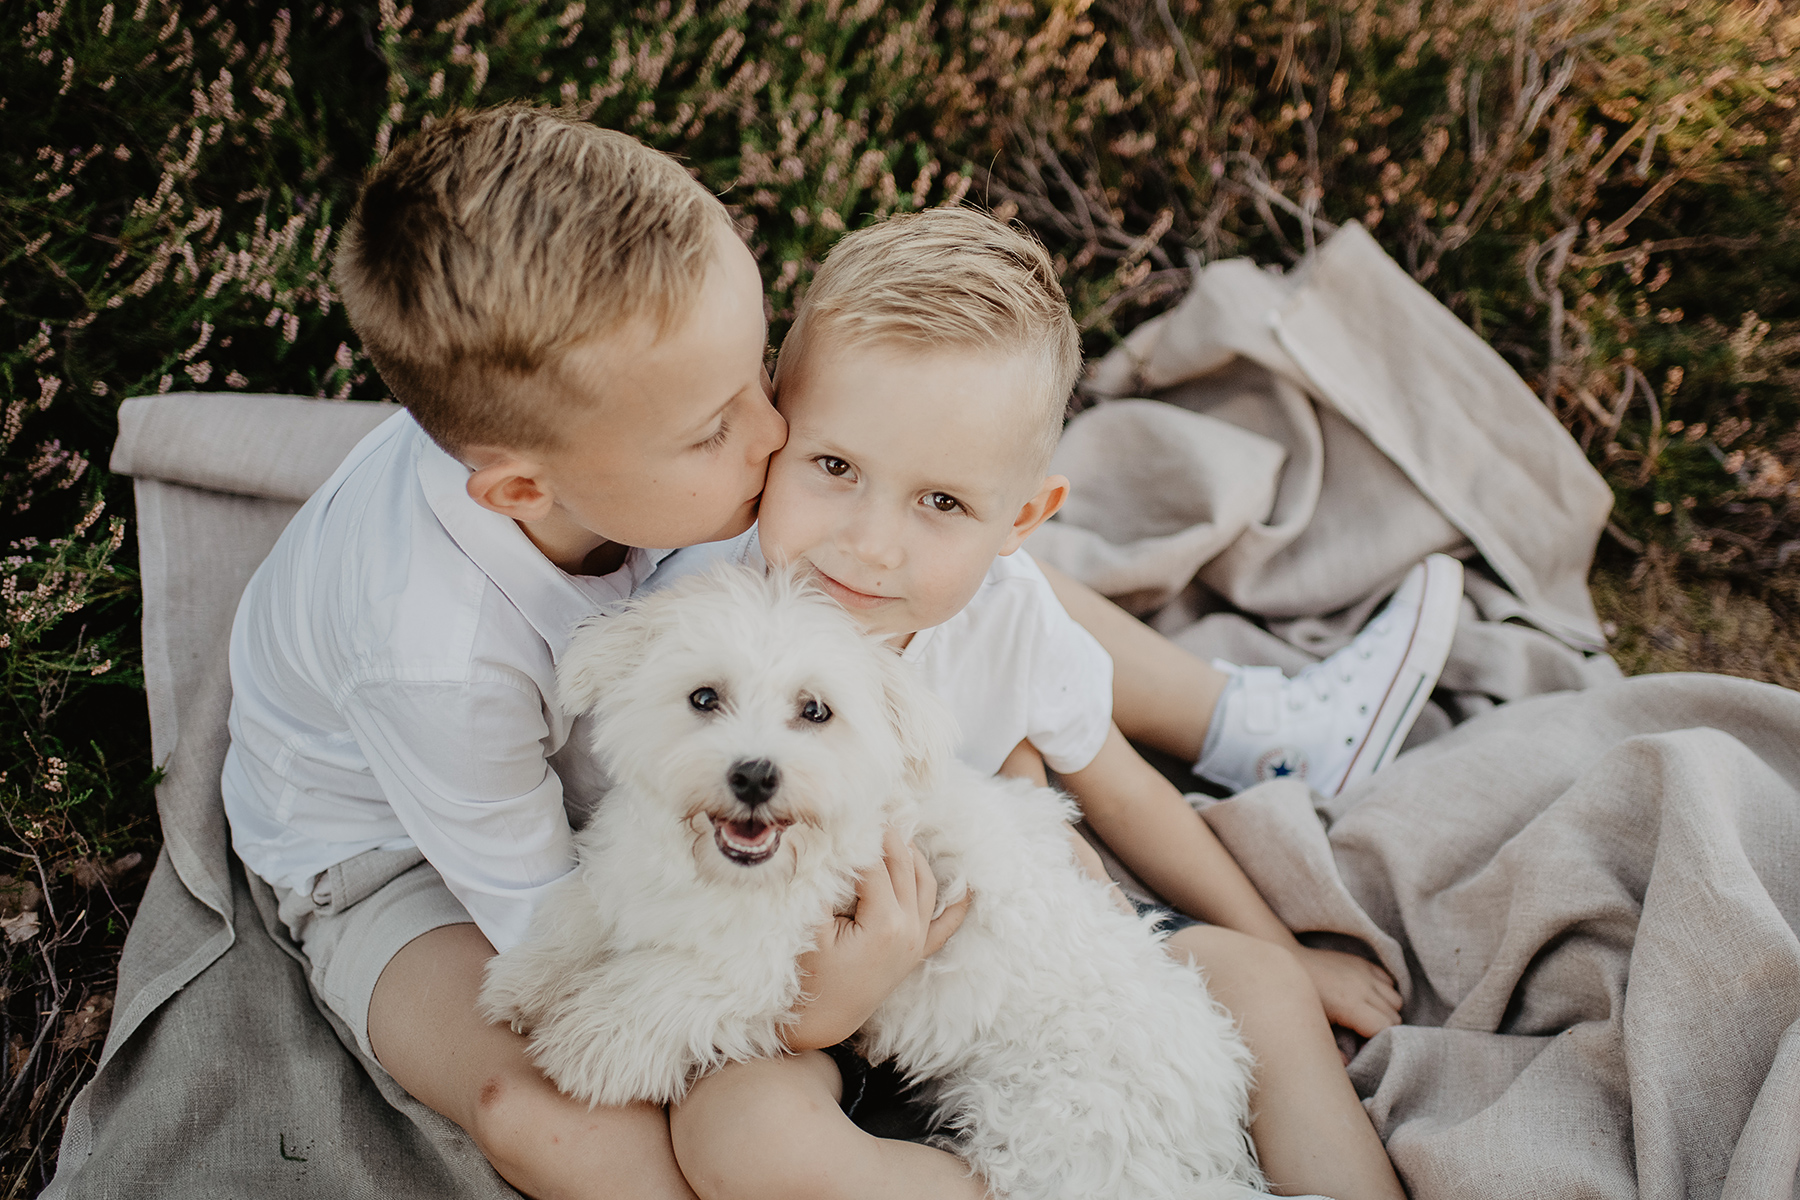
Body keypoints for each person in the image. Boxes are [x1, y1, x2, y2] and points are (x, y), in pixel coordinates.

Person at [223, 104, 1449, 1199]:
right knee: (557, 1115)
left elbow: (1027, 687)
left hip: (900, 908)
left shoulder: (738, 510)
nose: (774, 437)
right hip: (418, 857)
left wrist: (1233, 929)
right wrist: (827, 1003)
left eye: (762, 377)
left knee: (1005, 627)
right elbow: (580, 932)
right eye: (725, 426)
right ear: (526, 488)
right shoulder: (438, 658)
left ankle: (1248, 722)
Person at [652, 206, 1428, 1200]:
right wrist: (813, 1005)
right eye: (836, 467)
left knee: (1261, 989)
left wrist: (1283, 951)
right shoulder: (709, 612)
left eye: (942, 503)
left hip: (1007, 966)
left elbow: (1122, 789)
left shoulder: (1011, 621)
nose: (871, 543)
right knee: (743, 1141)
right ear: (773, 431)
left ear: (1022, 517)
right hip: (796, 979)